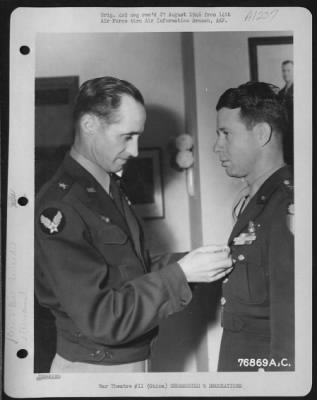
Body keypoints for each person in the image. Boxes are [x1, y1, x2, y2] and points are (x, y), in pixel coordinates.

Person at [35, 76, 232, 373]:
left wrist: (194, 263)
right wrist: (182, 273)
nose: (136, 151)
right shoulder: (60, 206)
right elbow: (102, 318)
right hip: (92, 369)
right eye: (127, 137)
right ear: (89, 125)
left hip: (127, 362)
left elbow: (129, 269)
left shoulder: (105, 186)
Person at [214, 81, 294, 372]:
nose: (217, 146)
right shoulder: (258, 202)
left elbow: (292, 328)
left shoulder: (286, 207)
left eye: (226, 134)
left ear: (261, 134)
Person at [278, 60, 294, 166]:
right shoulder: (280, 93)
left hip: (296, 133)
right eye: (284, 71)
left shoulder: (301, 90)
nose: (286, 73)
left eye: (288, 70)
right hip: (284, 133)